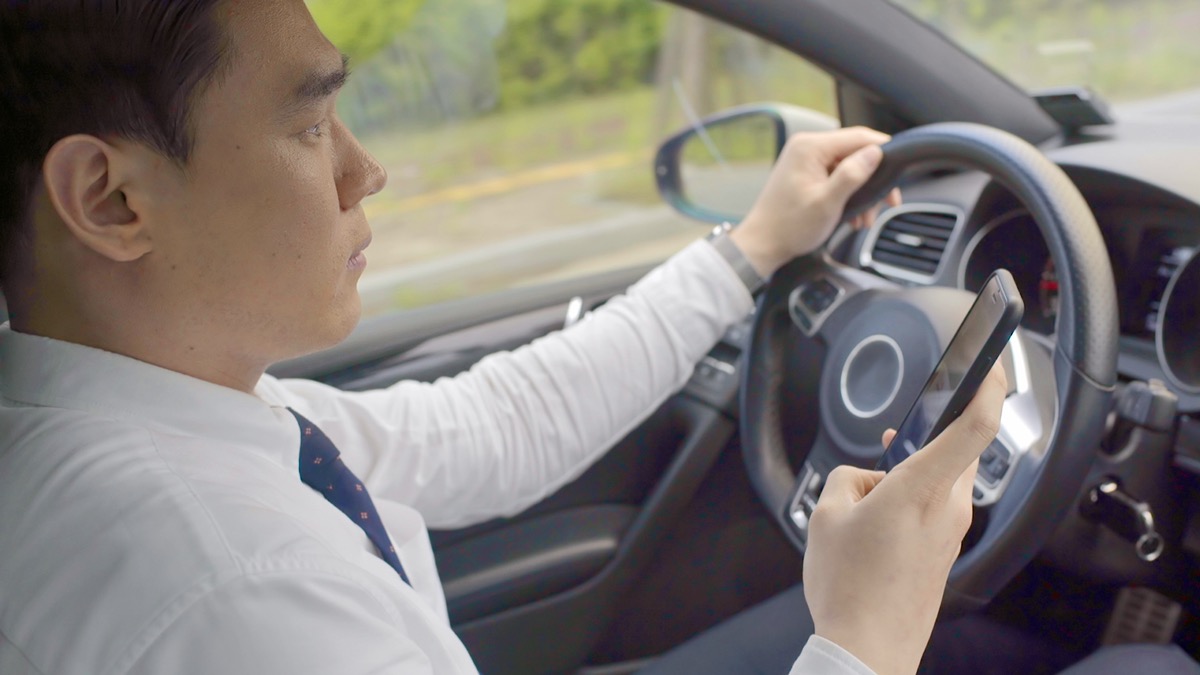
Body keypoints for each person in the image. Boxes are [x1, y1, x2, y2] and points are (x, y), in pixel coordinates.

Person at [0, 2, 1195, 674]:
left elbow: (485, 430)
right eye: (311, 125)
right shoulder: (237, 601)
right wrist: (862, 637)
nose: (368, 169)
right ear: (111, 199)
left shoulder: (173, 419)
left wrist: (747, 253)